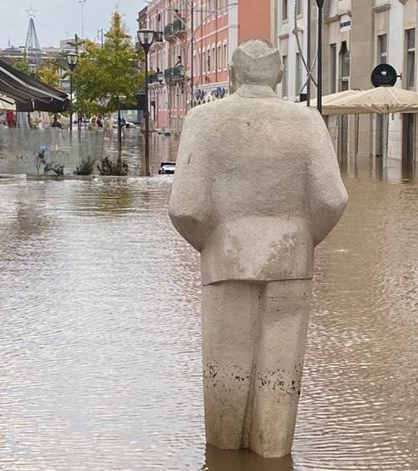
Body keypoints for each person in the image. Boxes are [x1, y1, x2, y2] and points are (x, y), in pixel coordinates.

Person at [168, 39, 347, 458]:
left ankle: (226, 454)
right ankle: (273, 451)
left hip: (225, 254)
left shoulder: (204, 120)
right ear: (280, 74)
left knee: (226, 367)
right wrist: (303, 240)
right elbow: (332, 199)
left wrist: (212, 245)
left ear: (231, 74)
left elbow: (185, 206)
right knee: (282, 367)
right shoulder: (306, 121)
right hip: (291, 256)